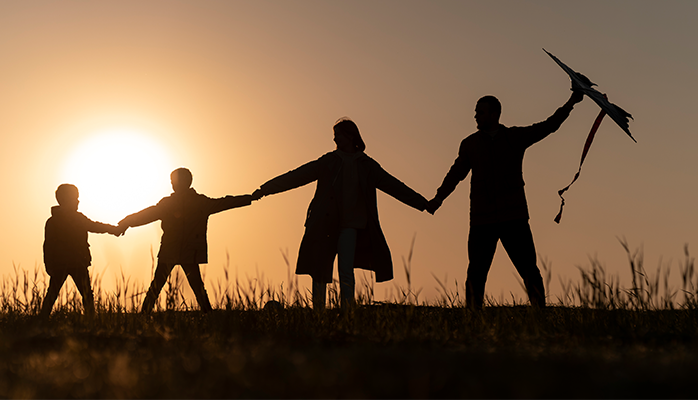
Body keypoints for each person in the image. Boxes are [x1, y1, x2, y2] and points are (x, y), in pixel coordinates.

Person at [427, 91, 584, 310]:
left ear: (494, 114)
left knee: (529, 269)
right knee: (476, 273)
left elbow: (549, 126)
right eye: (475, 112)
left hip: (514, 217)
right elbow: (456, 173)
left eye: (480, 113)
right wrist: (438, 198)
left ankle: (540, 316)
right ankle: (472, 319)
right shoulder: (470, 144)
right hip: (482, 219)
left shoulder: (514, 138)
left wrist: (572, 102)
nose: (475, 117)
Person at [251, 118, 428, 309]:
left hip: (351, 225)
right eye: (334, 136)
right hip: (324, 224)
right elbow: (297, 176)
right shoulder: (328, 161)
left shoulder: (368, 165)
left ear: (351, 136)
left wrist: (423, 203)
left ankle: (347, 311)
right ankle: (318, 311)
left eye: (339, 136)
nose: (335, 140)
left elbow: (394, 186)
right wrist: (265, 189)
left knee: (346, 271)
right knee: (319, 269)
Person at [118, 167, 252, 313]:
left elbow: (225, 202)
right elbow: (148, 214)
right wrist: (127, 222)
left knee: (171, 286)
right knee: (180, 286)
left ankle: (145, 314)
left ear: (183, 182)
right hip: (180, 251)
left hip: (181, 251)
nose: (172, 184)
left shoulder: (192, 202)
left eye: (173, 181)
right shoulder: (193, 202)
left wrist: (249, 198)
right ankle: (206, 314)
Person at [41, 184, 124, 318]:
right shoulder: (59, 221)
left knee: (80, 294)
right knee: (61, 293)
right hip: (68, 262)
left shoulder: (69, 219)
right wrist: (48, 264)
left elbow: (94, 226)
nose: (78, 201)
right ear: (65, 200)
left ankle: (43, 319)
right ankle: (44, 319)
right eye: (75, 198)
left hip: (75, 262)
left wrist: (113, 229)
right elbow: (48, 245)